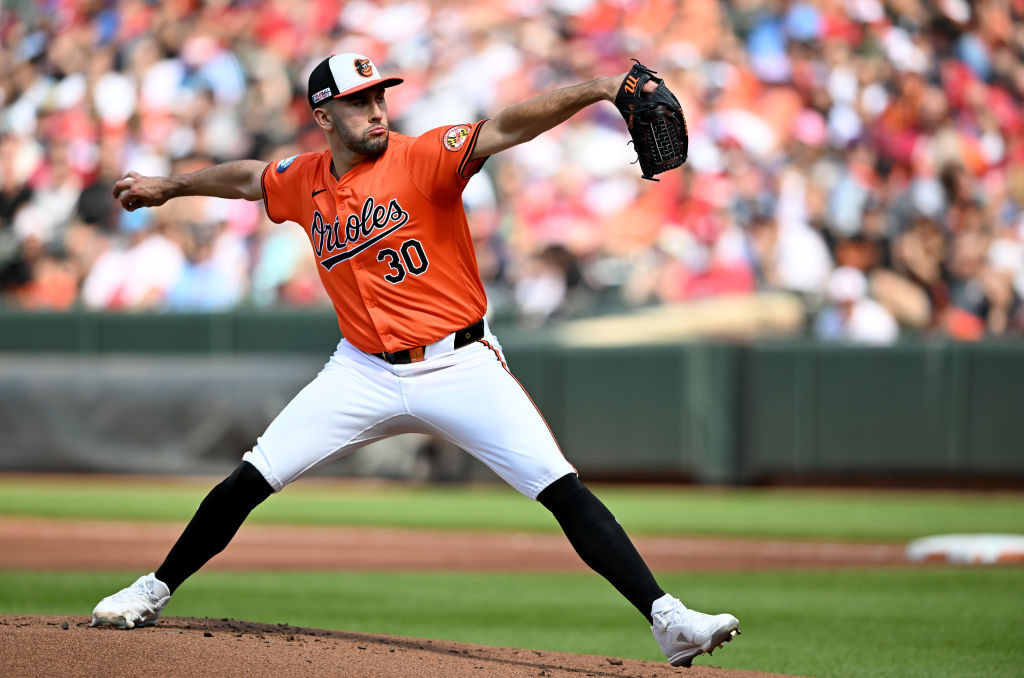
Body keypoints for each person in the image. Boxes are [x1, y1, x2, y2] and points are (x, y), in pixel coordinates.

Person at [89, 53, 740, 668]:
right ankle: (153, 589)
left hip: (460, 364)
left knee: (560, 487)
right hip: (362, 370)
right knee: (251, 477)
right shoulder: (306, 179)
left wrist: (600, 88)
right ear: (323, 118)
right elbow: (249, 179)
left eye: (380, 97)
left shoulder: (426, 156)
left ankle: (669, 620)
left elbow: (508, 125)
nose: (376, 111)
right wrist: (168, 187)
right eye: (358, 102)